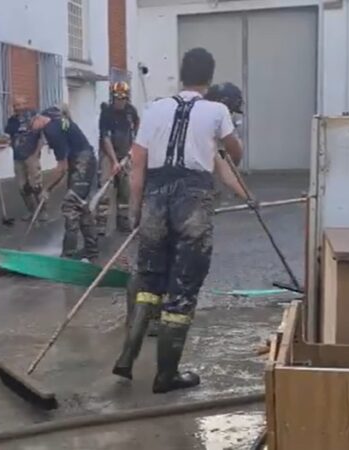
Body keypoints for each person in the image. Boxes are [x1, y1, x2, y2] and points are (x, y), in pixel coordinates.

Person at [112, 48, 248, 393]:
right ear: (209, 78)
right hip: (192, 201)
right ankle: (166, 374)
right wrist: (223, 143)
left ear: (182, 74)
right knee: (183, 287)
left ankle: (127, 357)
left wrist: (135, 211)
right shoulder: (217, 111)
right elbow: (234, 155)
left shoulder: (154, 109)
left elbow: (138, 166)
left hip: (156, 198)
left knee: (148, 281)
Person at [32, 106, 102, 261]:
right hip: (83, 160)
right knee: (81, 206)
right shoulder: (56, 120)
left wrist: (46, 189)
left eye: (32, 124)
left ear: (38, 118)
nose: (32, 129)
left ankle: (68, 255)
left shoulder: (52, 130)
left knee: (70, 205)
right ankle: (91, 251)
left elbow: (61, 168)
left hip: (82, 162)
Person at [97, 82, 140, 234]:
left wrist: (132, 150)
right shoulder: (107, 113)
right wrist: (114, 162)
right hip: (108, 155)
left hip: (126, 154)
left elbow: (137, 130)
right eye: (117, 98)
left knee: (125, 189)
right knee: (106, 188)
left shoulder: (131, 111)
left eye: (122, 98)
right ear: (113, 98)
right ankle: (101, 223)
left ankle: (123, 222)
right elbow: (106, 138)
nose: (120, 101)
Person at [5, 96, 46, 222]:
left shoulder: (34, 117)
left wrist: (36, 153)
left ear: (26, 104)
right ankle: (31, 211)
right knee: (22, 186)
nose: (18, 108)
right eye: (15, 105)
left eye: (20, 104)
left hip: (31, 156)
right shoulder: (12, 120)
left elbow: (41, 137)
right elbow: (10, 136)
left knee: (36, 185)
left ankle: (43, 212)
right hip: (18, 158)